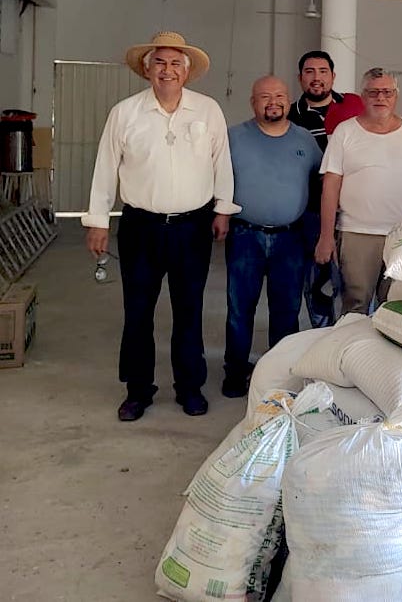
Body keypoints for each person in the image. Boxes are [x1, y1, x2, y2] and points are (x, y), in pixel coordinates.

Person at [82, 31, 239, 421]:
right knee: (138, 311)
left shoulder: (208, 111)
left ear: (186, 72)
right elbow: (105, 168)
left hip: (192, 227)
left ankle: (190, 388)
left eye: (175, 64)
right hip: (140, 227)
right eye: (160, 63)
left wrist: (223, 209)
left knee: (189, 310)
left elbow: (222, 163)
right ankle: (138, 391)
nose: (167, 71)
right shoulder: (125, 112)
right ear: (147, 69)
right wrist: (98, 221)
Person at [222, 76, 322, 397]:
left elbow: (322, 185)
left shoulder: (305, 141)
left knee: (286, 311)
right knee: (240, 310)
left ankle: (280, 376)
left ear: (288, 99)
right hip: (244, 236)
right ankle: (235, 373)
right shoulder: (234, 137)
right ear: (253, 102)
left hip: (291, 240)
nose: (272, 102)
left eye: (279, 95)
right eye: (264, 96)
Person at [314, 67, 402, 314]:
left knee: (396, 306)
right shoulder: (345, 132)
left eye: (387, 92)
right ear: (363, 96)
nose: (381, 98)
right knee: (355, 304)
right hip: (357, 233)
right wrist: (326, 237)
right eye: (373, 92)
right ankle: (350, 352)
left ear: (396, 96)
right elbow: (330, 186)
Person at [288, 50, 365, 328]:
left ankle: (354, 344)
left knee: (356, 284)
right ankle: (323, 344)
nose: (316, 77)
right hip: (312, 214)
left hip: (357, 213)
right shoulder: (290, 117)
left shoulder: (356, 106)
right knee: (319, 286)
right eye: (309, 72)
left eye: (323, 71)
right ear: (300, 78)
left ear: (333, 76)